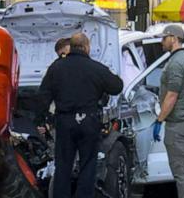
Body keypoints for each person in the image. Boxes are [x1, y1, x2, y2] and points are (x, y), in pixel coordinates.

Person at [37, 33, 123, 198]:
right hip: (89, 122)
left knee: (63, 166)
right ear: (86, 47)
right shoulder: (95, 67)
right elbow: (117, 86)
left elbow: (43, 96)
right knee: (88, 165)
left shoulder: (56, 68)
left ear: (72, 47)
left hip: (64, 122)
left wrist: (41, 119)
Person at [152, 25, 184, 198]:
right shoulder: (183, 59)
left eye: (164, 38)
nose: (161, 42)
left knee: (181, 173)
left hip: (178, 124)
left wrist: (159, 120)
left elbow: (172, 95)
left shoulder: (177, 62)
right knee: (183, 169)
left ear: (174, 38)